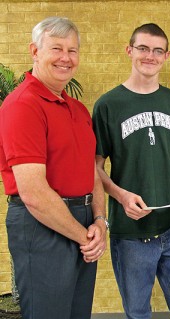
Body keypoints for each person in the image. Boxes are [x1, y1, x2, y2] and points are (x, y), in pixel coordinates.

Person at [92, 23, 170, 319]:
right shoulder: (108, 105)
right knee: (138, 314)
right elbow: (95, 168)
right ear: (129, 50)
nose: (150, 56)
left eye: (158, 50)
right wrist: (121, 195)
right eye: (143, 48)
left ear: (166, 56)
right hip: (131, 234)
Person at [0, 17, 107, 319]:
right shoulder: (22, 105)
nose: (66, 58)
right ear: (34, 51)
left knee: (77, 314)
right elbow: (33, 192)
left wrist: (99, 220)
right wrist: (83, 235)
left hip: (82, 222)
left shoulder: (78, 109)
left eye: (73, 51)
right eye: (57, 48)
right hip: (42, 224)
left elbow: (92, 171)